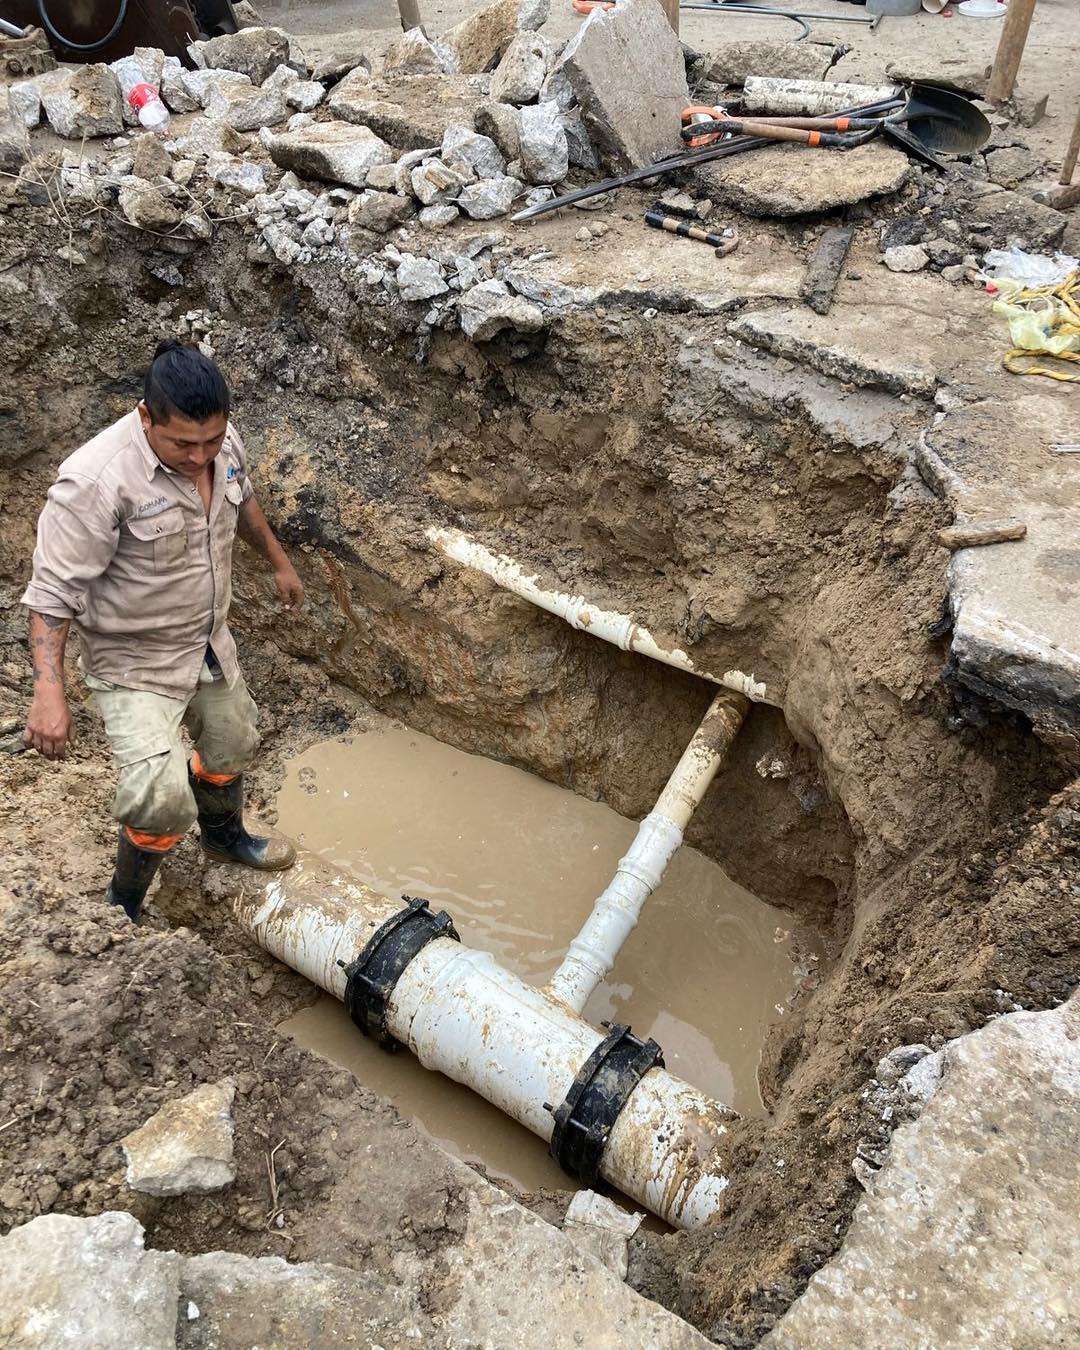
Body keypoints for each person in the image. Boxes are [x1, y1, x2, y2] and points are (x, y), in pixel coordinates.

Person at [21, 339, 305, 921]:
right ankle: (123, 902)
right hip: (133, 662)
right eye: (183, 444)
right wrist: (48, 693)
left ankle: (223, 837)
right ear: (145, 416)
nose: (200, 456)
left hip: (206, 642)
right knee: (162, 799)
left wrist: (279, 562)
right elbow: (52, 596)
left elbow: (242, 498)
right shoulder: (96, 482)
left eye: (212, 441)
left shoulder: (219, 444)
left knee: (232, 743)